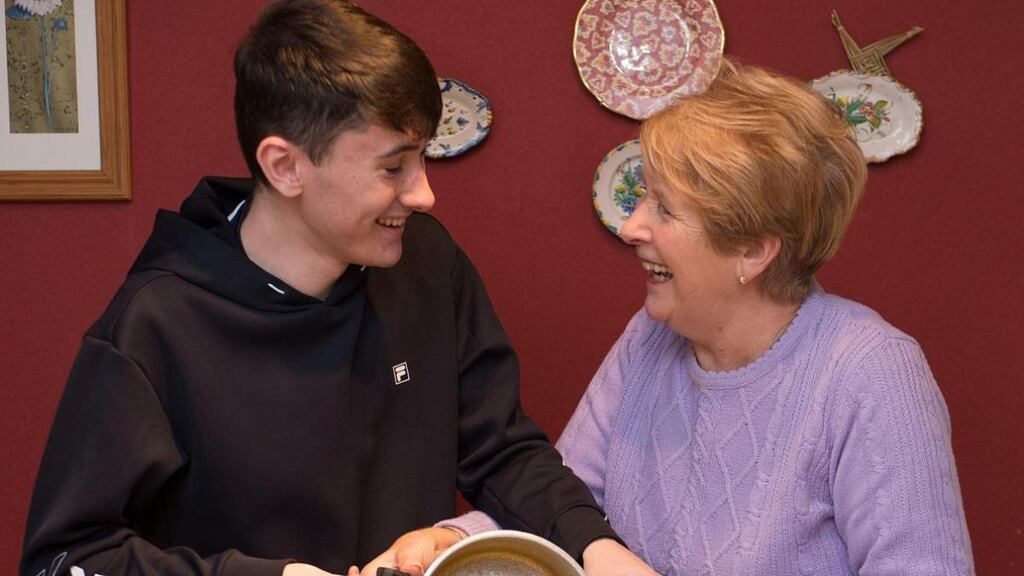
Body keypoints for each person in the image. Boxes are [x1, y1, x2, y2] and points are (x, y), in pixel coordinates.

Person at [19, 2, 651, 575]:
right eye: (393, 167)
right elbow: (67, 558)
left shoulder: (429, 265)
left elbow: (502, 452)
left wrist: (593, 545)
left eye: (424, 158)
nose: (424, 193)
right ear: (285, 166)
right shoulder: (154, 324)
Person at [419, 59, 976, 574]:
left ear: (754, 251)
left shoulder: (871, 373)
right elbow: (567, 503)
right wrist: (455, 540)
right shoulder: (653, 336)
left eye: (664, 208)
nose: (633, 227)